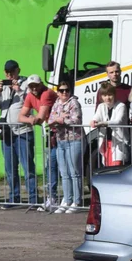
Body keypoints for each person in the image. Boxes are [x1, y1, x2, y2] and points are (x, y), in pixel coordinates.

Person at [20, 75, 58, 211]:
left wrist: (31, 118)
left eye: (36, 85)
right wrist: (31, 120)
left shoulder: (46, 93)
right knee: (50, 166)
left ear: (41, 84)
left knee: (63, 168)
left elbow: (41, 118)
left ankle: (64, 199)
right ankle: (52, 198)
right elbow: (20, 116)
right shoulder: (30, 96)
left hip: (59, 133)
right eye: (31, 86)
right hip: (50, 134)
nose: (34, 88)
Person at [0, 62, 25, 206]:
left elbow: (30, 101)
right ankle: (14, 197)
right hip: (7, 132)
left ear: (18, 70)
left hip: (22, 130)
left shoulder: (26, 83)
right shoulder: (2, 88)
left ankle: (33, 199)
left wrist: (19, 90)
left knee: (27, 167)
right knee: (10, 168)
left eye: (13, 72)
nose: (10, 76)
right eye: (7, 73)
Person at [46, 82, 82, 212]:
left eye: (67, 90)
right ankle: (67, 199)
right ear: (58, 92)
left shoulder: (74, 103)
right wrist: (58, 118)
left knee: (74, 172)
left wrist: (60, 119)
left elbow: (76, 120)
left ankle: (77, 201)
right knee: (64, 173)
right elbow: (50, 121)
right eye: (61, 91)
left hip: (74, 140)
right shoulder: (56, 104)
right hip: (60, 140)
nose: (64, 93)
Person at [92, 82, 129, 166]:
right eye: (104, 95)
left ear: (114, 94)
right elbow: (97, 116)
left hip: (119, 141)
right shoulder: (101, 106)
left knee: (117, 165)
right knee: (107, 167)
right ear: (101, 96)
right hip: (106, 141)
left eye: (110, 95)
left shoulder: (121, 106)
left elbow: (118, 121)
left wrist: (103, 123)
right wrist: (93, 121)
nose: (107, 98)